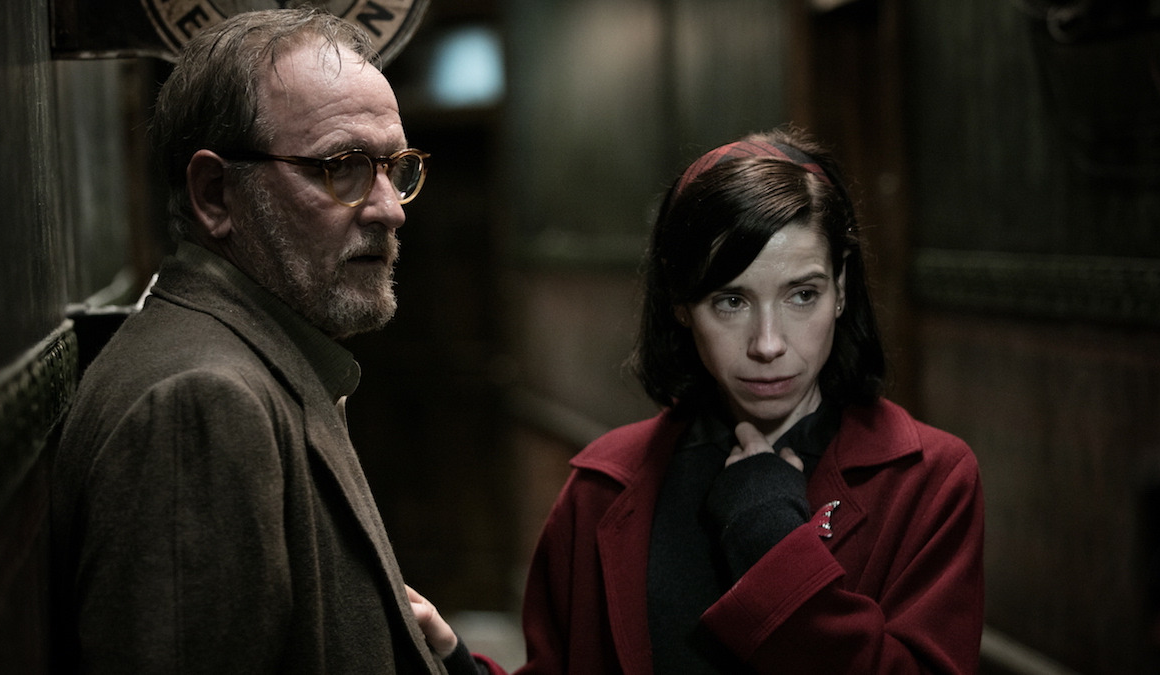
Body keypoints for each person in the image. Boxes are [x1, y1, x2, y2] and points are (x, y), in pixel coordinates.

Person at [50, 8, 493, 674]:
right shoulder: (200, 405)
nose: (389, 209)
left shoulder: (267, 358)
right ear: (215, 194)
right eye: (343, 167)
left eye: (396, 168)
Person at [511, 128, 985, 673]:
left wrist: (767, 534)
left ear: (841, 288)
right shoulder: (603, 485)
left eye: (802, 295)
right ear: (681, 302)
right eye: (731, 301)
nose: (768, 344)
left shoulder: (927, 479)